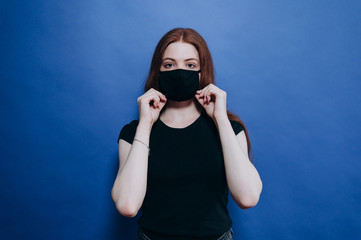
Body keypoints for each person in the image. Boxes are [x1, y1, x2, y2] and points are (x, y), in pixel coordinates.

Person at [111, 28, 263, 240]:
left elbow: (248, 197)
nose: (179, 71)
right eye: (169, 64)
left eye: (190, 65)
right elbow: (127, 205)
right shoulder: (133, 132)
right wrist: (145, 124)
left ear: (202, 72)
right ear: (158, 70)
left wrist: (220, 119)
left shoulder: (229, 128)